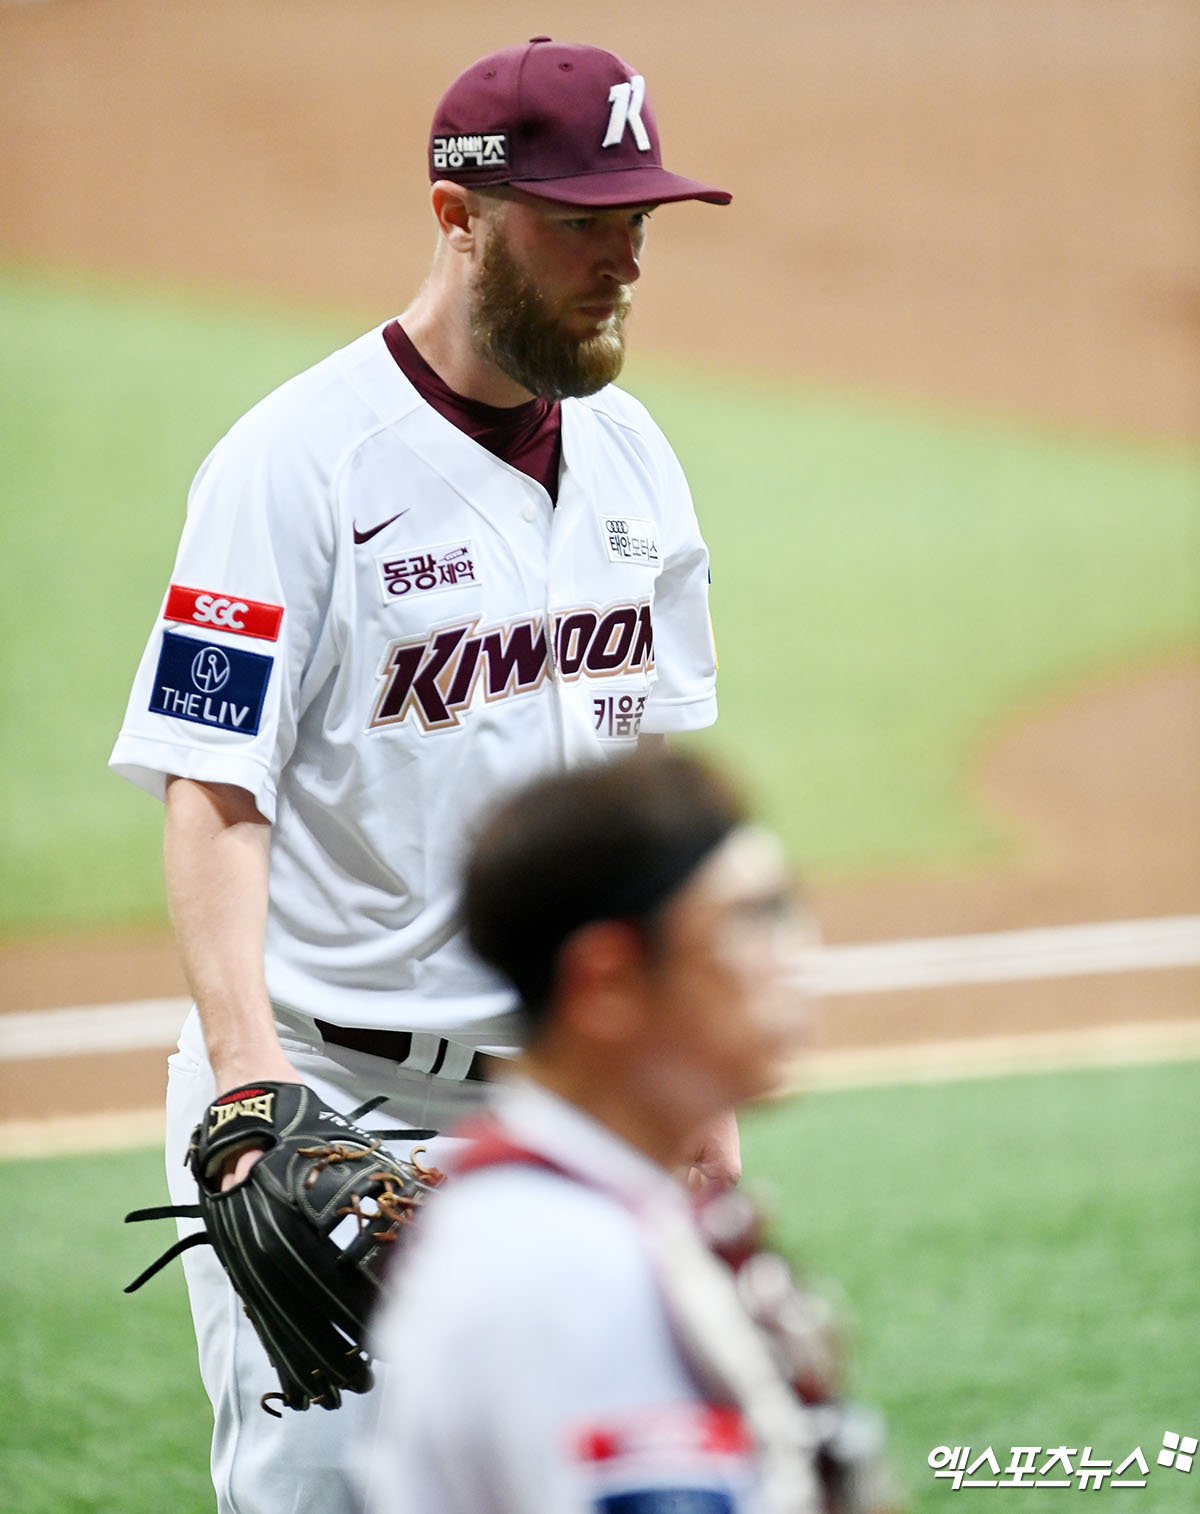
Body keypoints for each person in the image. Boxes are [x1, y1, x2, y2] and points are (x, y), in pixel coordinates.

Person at [109, 35, 733, 1514]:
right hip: (333, 1104)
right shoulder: (292, 464)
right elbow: (214, 785)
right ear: (459, 216)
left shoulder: (636, 456)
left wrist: (679, 1058)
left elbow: (644, 800)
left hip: (570, 1106)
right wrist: (250, 1081)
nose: (624, 261)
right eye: (580, 223)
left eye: (637, 220)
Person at [361, 749, 824, 1514]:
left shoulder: (589, 1204)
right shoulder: (570, 1272)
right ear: (606, 984)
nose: (797, 965)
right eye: (750, 924)